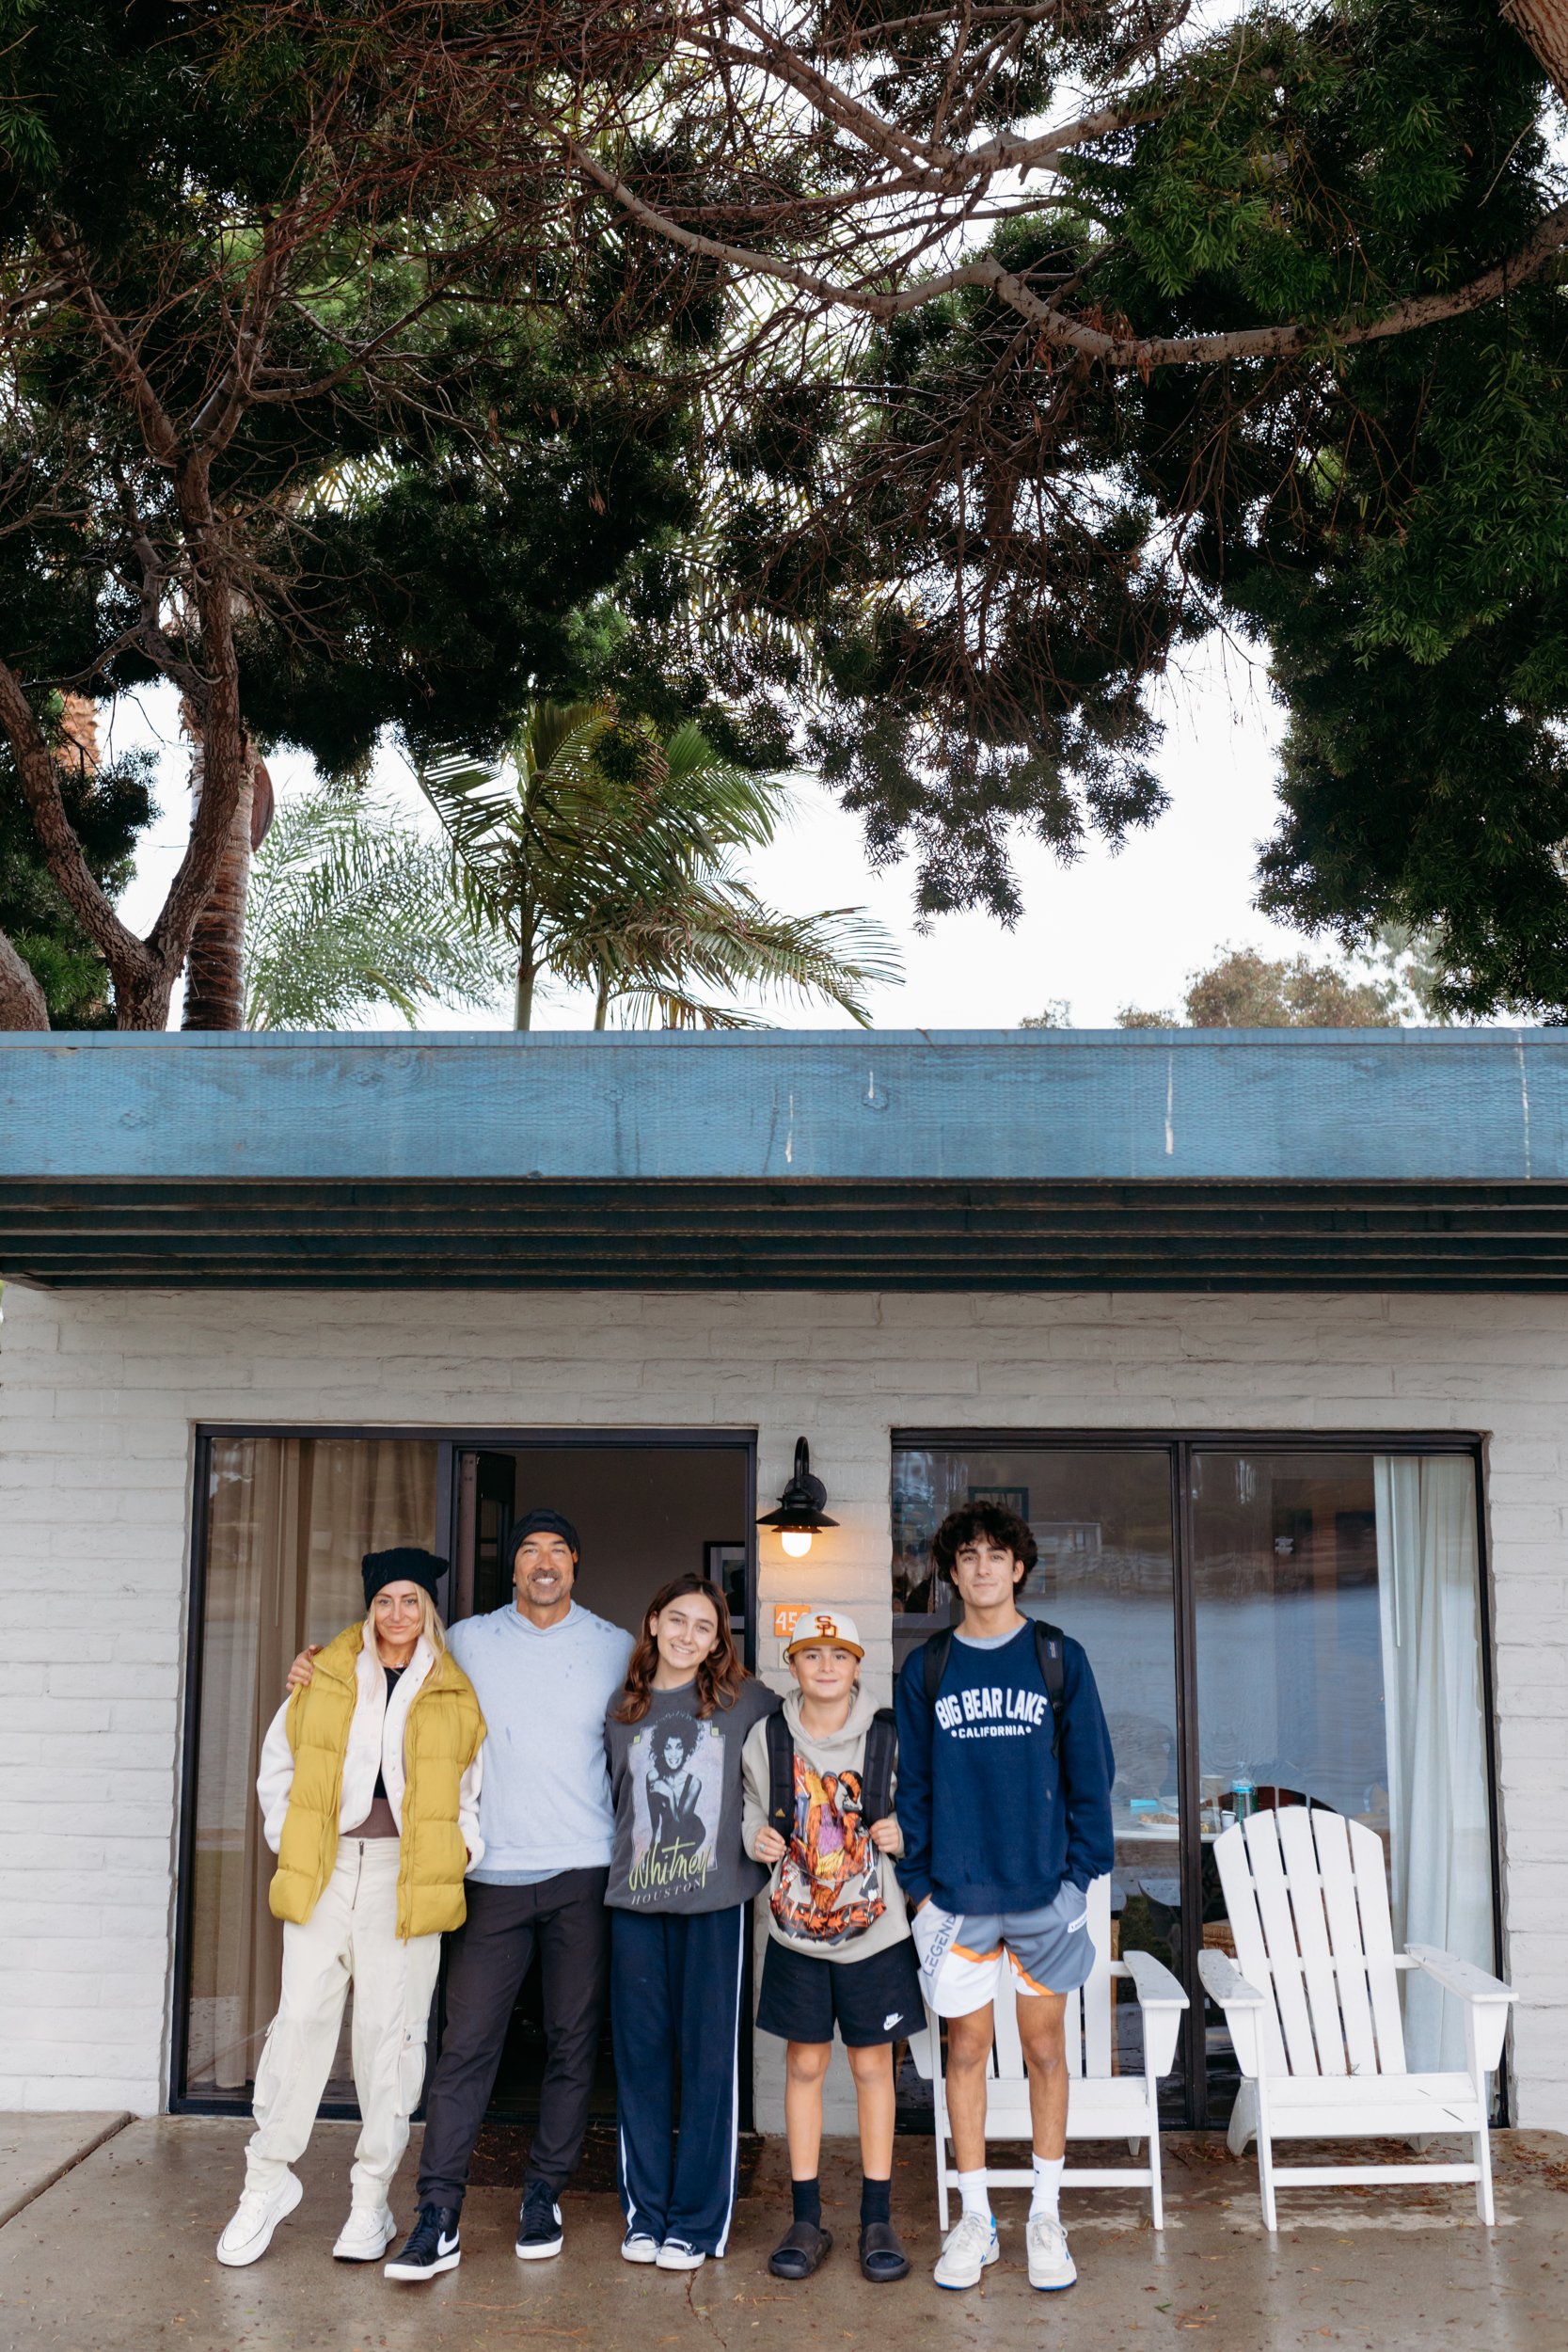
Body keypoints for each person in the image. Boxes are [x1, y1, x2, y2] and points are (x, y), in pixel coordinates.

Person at [284, 1509, 632, 2280]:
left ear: (576, 1564)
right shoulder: (465, 1640)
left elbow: (680, 1699)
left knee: (573, 2045)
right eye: (528, 1552)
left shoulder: (617, 1648)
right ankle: (438, 2209)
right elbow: (377, 1655)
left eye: (557, 1552)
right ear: (511, 1569)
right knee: (465, 2046)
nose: (543, 1564)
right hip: (491, 1876)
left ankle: (543, 2191)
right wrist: (313, 1668)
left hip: (582, 1874)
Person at [215, 1549, 484, 2270]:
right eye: (385, 1601)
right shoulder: (324, 1673)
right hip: (327, 1870)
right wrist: (291, 1835)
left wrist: (463, 1851)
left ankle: (372, 2200)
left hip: (406, 1875)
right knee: (300, 2019)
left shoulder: (454, 1691)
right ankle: (266, 2183)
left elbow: (469, 1792)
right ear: (369, 1609)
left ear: (427, 1611)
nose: (398, 1615)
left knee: (386, 2039)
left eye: (411, 1602)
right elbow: (280, 1763)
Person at [894, 1502, 1115, 2297]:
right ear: (950, 1571)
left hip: (1041, 1894)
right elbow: (910, 1786)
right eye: (967, 1556)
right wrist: (918, 1890)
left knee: (1046, 2051)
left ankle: (1045, 2214)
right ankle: (977, 2217)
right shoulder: (927, 1668)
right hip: (956, 1899)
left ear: (1017, 1567)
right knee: (964, 2053)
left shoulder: (1059, 1658)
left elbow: (1092, 1779)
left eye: (995, 1554)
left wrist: (1077, 1881)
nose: (982, 1567)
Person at [603, 1574, 780, 2273]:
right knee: (641, 2064)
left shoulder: (747, 1700)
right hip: (634, 1910)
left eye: (702, 1627)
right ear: (651, 1623)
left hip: (714, 1910)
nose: (686, 1635)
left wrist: (772, 1839)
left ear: (717, 1642)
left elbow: (815, 1730)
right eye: (675, 1620)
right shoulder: (622, 1708)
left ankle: (697, 2223)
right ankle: (645, 2216)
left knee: (709, 2066)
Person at [741, 1609, 922, 2285]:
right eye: (810, 1654)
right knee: (805, 2067)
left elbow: (919, 1808)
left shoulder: (887, 1738)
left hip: (874, 1933)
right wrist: (750, 1835)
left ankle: (877, 2215)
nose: (824, 1666)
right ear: (791, 1666)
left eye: (837, 1655)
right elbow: (749, 1806)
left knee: (875, 2069)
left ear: (856, 1665)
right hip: (795, 1930)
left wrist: (904, 1831)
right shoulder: (768, 1737)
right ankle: (805, 2215)